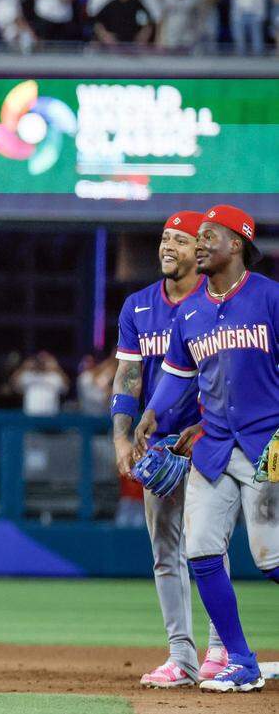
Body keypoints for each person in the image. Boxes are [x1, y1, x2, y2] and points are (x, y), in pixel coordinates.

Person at [135, 204, 278, 693]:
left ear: (235, 243)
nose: (199, 244)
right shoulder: (191, 311)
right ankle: (240, 659)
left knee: (271, 560)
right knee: (200, 552)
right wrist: (152, 413)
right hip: (214, 447)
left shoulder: (270, 298)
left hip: (269, 446)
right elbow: (177, 375)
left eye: (208, 237)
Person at [111, 211, 225, 688]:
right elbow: (127, 380)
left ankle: (224, 648)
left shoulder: (220, 304)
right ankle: (182, 656)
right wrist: (120, 436)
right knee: (165, 553)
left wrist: (206, 427)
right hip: (159, 448)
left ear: (200, 251)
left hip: (210, 440)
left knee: (209, 547)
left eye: (180, 241)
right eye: (164, 239)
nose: (167, 248)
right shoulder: (139, 306)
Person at [10, 351, 68, 415]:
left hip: (51, 415)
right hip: (31, 414)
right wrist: (23, 367)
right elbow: (13, 384)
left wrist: (57, 368)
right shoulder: (27, 375)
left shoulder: (55, 376)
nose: (41, 363)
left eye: (44, 360)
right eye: (39, 360)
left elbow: (66, 387)